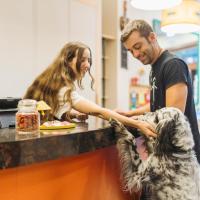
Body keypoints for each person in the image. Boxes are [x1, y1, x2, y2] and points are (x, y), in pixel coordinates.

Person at [24, 41, 156, 136]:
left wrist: (71, 114)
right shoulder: (63, 88)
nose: (87, 65)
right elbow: (99, 112)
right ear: (67, 61)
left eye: (89, 60)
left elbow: (50, 110)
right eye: (82, 60)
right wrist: (138, 124)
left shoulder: (54, 80)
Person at [118, 19, 200, 163]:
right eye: (131, 51)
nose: (135, 54)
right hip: (168, 154)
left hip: (184, 157)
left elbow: (171, 117)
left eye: (137, 46)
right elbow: (157, 104)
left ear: (152, 37)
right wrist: (130, 113)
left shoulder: (173, 65)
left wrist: (136, 121)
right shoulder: (155, 68)